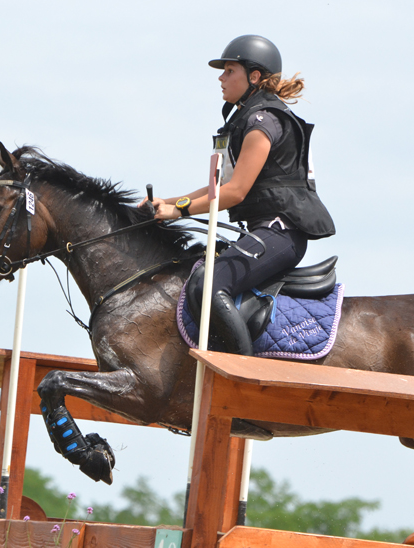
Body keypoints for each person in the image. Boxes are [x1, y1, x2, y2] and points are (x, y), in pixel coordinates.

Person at [140, 34, 335, 356]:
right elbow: (219, 188)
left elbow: (235, 192)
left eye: (229, 70)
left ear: (254, 76)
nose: (221, 77)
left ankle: (238, 379)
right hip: (266, 231)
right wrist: (169, 202)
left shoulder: (264, 121)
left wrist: (180, 212)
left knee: (208, 287)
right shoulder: (248, 118)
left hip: (280, 232)